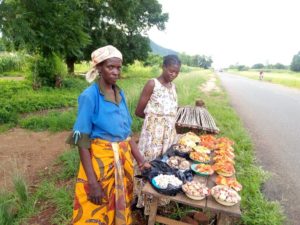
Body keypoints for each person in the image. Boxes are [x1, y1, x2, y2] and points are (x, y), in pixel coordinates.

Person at [68, 45, 150, 225]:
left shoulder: (120, 93)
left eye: (118, 67)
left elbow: (126, 134)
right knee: (97, 209)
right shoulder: (90, 96)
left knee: (120, 205)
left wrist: (141, 161)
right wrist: (92, 182)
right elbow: (81, 141)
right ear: (98, 68)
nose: (115, 72)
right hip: (101, 165)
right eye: (110, 67)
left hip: (122, 160)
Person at [134, 54, 181, 214]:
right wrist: (154, 123)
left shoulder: (173, 88)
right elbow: (139, 111)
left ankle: (159, 200)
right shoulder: (152, 84)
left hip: (168, 137)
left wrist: (168, 125)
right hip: (152, 136)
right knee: (148, 165)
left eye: (176, 72)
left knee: (164, 166)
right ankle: (142, 202)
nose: (173, 74)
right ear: (163, 67)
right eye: (171, 71)